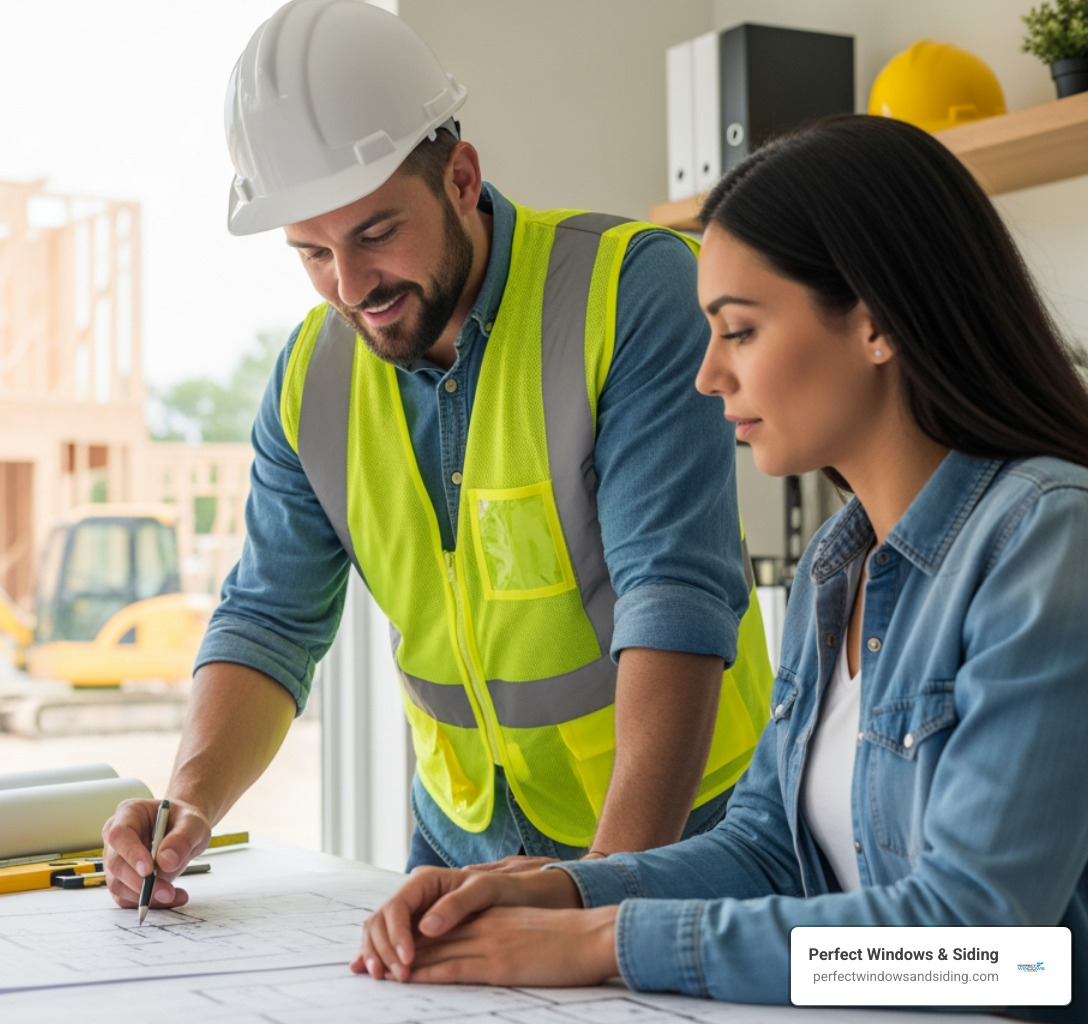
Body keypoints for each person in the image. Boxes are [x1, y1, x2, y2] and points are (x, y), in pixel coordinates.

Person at [351, 113, 1088, 1024]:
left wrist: (601, 943)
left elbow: (990, 953)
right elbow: (771, 849)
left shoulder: (1047, 542)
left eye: (738, 331)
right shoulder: (837, 563)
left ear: (876, 324)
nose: (707, 376)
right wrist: (562, 890)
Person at [101, 0, 773, 910]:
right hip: (456, 851)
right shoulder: (312, 379)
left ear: (461, 177)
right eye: (311, 254)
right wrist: (187, 802)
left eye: (376, 233)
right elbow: (269, 621)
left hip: (684, 843)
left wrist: (593, 898)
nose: (350, 287)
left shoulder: (632, 292)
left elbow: (675, 604)